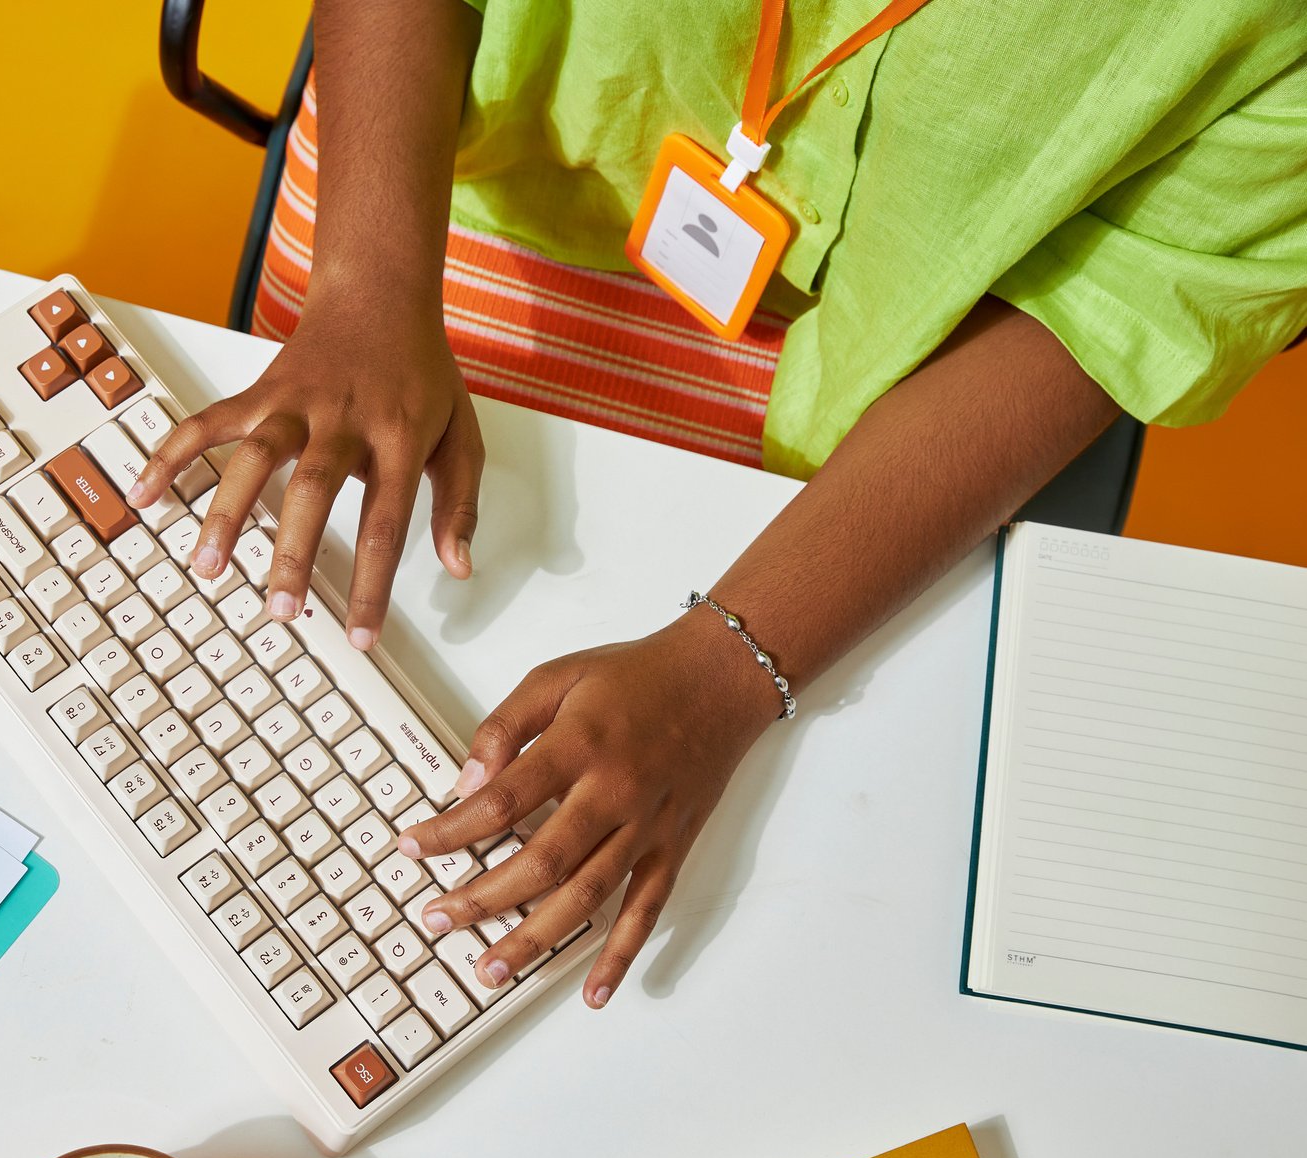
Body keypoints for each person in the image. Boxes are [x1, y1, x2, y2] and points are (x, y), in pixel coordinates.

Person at [128, 0, 1307, 1009]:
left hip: (916, 357)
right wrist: (365, 287)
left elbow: (1113, 305)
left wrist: (728, 671)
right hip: (441, 196)